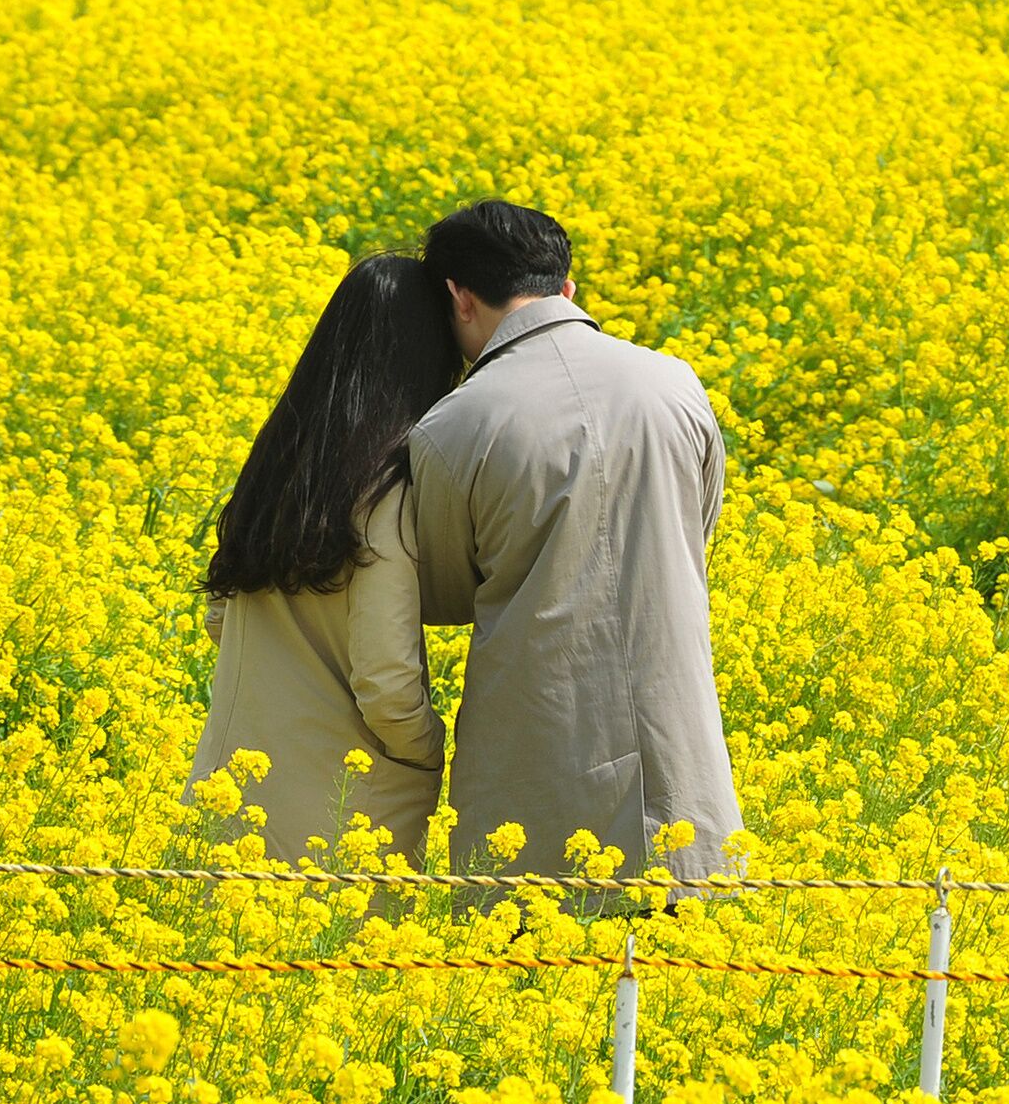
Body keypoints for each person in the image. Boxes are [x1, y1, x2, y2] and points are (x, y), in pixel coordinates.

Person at [408, 199, 740, 898]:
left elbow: (441, 593)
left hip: (537, 774)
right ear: (568, 289)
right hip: (676, 765)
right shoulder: (675, 382)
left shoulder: (454, 425)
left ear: (458, 299)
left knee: (537, 966)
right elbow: (696, 527)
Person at [191, 254, 461, 868]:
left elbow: (219, 618)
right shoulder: (386, 487)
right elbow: (386, 683)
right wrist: (427, 751)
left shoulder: (276, 464)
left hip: (230, 786)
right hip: (342, 809)